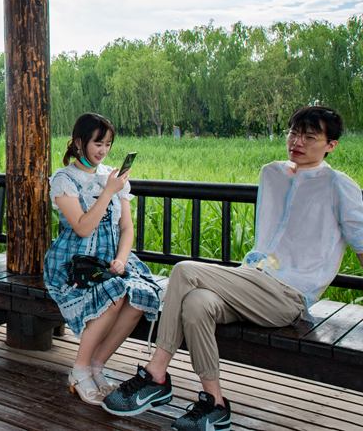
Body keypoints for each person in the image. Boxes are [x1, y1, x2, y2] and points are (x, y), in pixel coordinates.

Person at [102, 106, 363, 431]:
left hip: (288, 294)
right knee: (196, 303)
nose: (297, 142)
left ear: (331, 145)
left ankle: (156, 374)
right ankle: (215, 403)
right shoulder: (272, 173)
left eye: (310, 137)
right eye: (294, 133)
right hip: (251, 278)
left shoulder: (338, 185)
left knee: (184, 270)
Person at [44, 113, 161, 405]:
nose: (103, 150)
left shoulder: (113, 177)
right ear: (79, 142)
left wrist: (122, 259)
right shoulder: (64, 179)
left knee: (141, 296)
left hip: (111, 259)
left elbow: (127, 228)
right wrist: (108, 191)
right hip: (76, 262)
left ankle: (96, 366)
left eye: (108, 144)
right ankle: (79, 369)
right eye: (98, 143)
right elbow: (83, 228)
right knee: (115, 293)